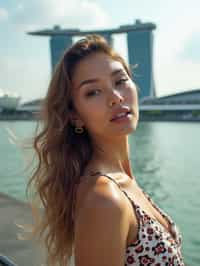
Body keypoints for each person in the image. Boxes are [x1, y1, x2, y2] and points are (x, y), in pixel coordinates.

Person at [28, 34, 185, 266]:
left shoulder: (122, 181)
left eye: (120, 81)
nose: (115, 97)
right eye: (93, 92)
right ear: (75, 116)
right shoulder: (104, 199)